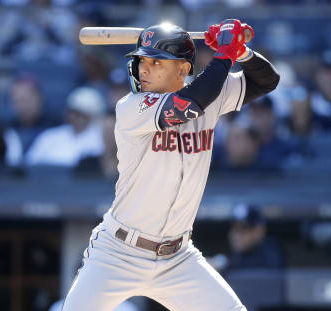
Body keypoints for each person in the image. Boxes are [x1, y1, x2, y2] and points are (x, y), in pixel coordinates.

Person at [61, 20, 279, 311]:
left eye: (156, 62)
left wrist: (240, 52)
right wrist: (224, 53)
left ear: (183, 69)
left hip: (177, 257)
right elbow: (186, 106)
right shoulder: (132, 107)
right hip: (117, 253)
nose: (144, 70)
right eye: (141, 61)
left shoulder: (208, 93)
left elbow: (266, 81)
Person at [25, 86, 105, 168]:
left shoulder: (102, 139)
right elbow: (30, 164)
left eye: (81, 113)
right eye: (72, 112)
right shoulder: (49, 136)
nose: (75, 117)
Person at [226, 204, 284, 270]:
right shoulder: (238, 255)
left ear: (259, 230)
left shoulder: (270, 255)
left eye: (244, 228)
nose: (237, 235)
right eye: (234, 228)